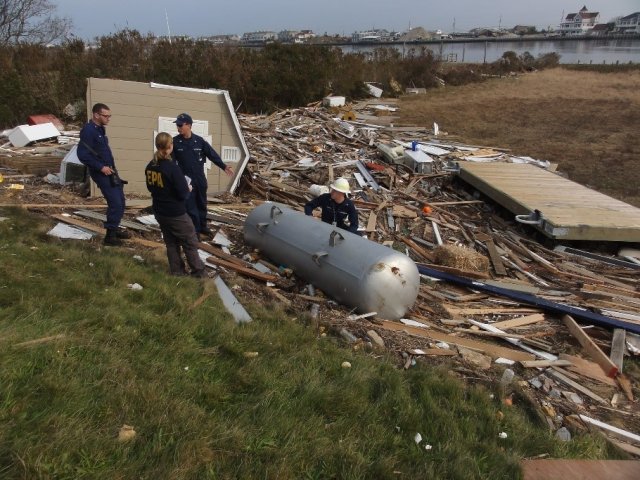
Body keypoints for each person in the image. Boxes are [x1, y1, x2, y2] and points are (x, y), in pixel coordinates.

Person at [145, 132, 206, 278]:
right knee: (190, 240)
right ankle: (198, 272)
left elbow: (150, 187)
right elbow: (183, 193)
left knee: (171, 241)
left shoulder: (150, 166)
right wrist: (188, 189)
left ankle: (177, 271)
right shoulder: (172, 168)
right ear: (170, 146)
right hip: (175, 212)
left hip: (159, 210)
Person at [172, 113, 233, 237]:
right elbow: (172, 163)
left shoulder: (199, 141)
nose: (178, 128)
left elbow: (212, 154)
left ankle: (203, 226)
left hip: (199, 178)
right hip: (186, 180)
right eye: (177, 125)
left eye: (180, 125)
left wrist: (224, 166)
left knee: (201, 204)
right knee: (190, 206)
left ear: (188, 125)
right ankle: (195, 231)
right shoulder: (175, 142)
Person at [77, 103, 129, 246]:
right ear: (96, 115)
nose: (108, 119)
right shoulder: (89, 131)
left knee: (121, 201)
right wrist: (101, 167)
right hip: (102, 172)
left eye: (109, 116)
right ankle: (110, 237)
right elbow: (82, 154)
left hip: (110, 170)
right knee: (115, 203)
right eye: (106, 116)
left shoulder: (100, 129)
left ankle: (114, 227)